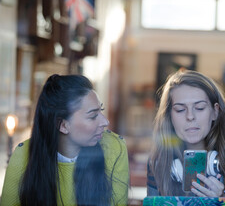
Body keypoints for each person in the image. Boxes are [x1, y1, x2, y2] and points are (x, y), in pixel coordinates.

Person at [0, 74, 129, 206]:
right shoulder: (23, 155)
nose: (105, 121)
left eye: (101, 111)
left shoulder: (114, 148)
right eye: (93, 116)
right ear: (63, 125)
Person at [147, 70, 225, 197]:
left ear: (215, 112)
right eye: (180, 110)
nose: (190, 116)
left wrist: (221, 202)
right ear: (169, 117)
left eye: (199, 108)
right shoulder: (159, 161)